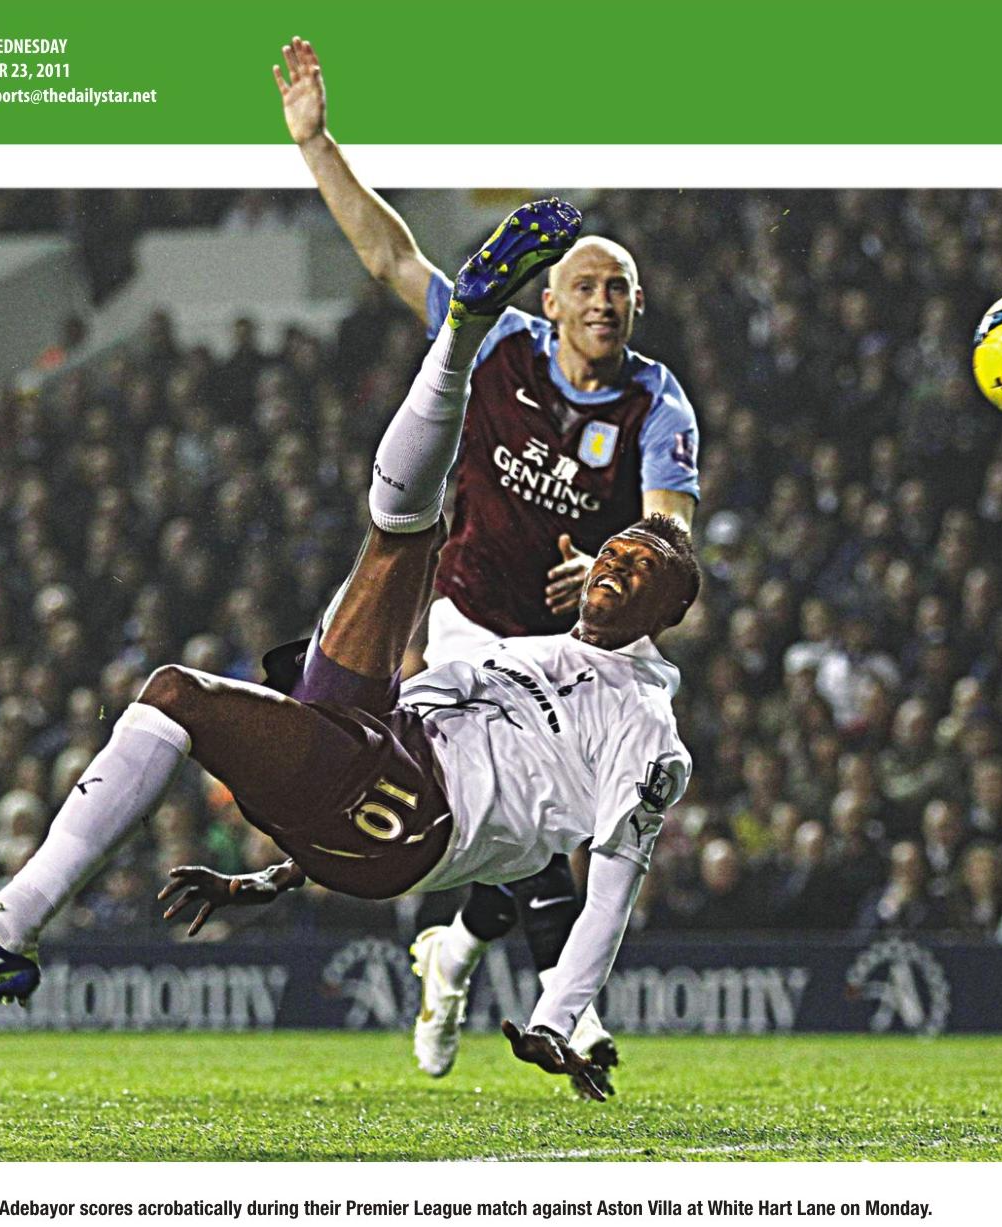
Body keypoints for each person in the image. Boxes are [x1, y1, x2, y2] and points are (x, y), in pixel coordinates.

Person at [0, 201, 698, 1101]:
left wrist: (558, 1016)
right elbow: (388, 258)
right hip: (389, 738)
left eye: (634, 566)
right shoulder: (536, 653)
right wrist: (275, 874)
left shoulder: (647, 730)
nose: (611, 563)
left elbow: (612, 885)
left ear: (667, 607)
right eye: (613, 551)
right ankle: (460, 327)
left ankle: (6, 928)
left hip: (411, 813)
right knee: (403, 536)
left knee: (176, 694)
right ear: (552, 303)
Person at [274, 36, 701, 1089]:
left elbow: (671, 530)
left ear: (636, 308)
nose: (602, 301)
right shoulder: (498, 346)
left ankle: (459, 954)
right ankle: (559, 1013)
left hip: (581, 639)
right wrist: (317, 144)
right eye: (585, 285)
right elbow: (391, 260)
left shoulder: (657, 403)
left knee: (541, 835)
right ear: (549, 301)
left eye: (620, 290)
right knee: (514, 831)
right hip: (469, 617)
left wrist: (614, 561)